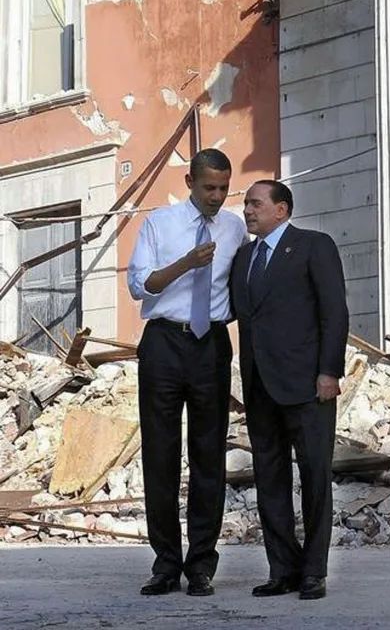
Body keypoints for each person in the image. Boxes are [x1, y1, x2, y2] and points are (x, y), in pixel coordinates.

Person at [127, 147, 248, 597]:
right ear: (190, 184)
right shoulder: (160, 223)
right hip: (163, 341)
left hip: (210, 344)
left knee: (208, 455)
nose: (217, 196)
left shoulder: (235, 227)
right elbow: (140, 284)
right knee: (160, 454)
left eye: (223, 188)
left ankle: (201, 565)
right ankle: (164, 565)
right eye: (209, 188)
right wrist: (186, 263)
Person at [231, 180, 348, 601]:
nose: (247, 210)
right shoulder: (243, 257)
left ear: (281, 210)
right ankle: (282, 569)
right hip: (260, 387)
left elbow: (334, 313)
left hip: (308, 385)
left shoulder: (314, 246)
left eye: (255, 203)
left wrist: (329, 372)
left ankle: (313, 571)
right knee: (270, 481)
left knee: (315, 477)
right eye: (245, 203)